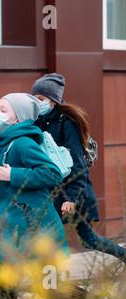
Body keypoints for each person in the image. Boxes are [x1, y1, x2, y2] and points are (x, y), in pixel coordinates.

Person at [0, 93, 68, 299]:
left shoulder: (22, 144)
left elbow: (51, 173)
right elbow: (8, 191)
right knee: (6, 287)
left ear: (18, 118)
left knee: (50, 289)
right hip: (16, 228)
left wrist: (14, 174)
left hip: (41, 228)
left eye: (3, 110)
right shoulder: (1, 145)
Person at [32, 73, 126, 263]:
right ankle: (54, 283)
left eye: (40, 99)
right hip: (52, 190)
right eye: (34, 99)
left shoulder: (67, 123)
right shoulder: (39, 122)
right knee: (47, 238)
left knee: (88, 239)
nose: (36, 103)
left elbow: (77, 163)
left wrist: (72, 198)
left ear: (53, 99)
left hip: (71, 191)